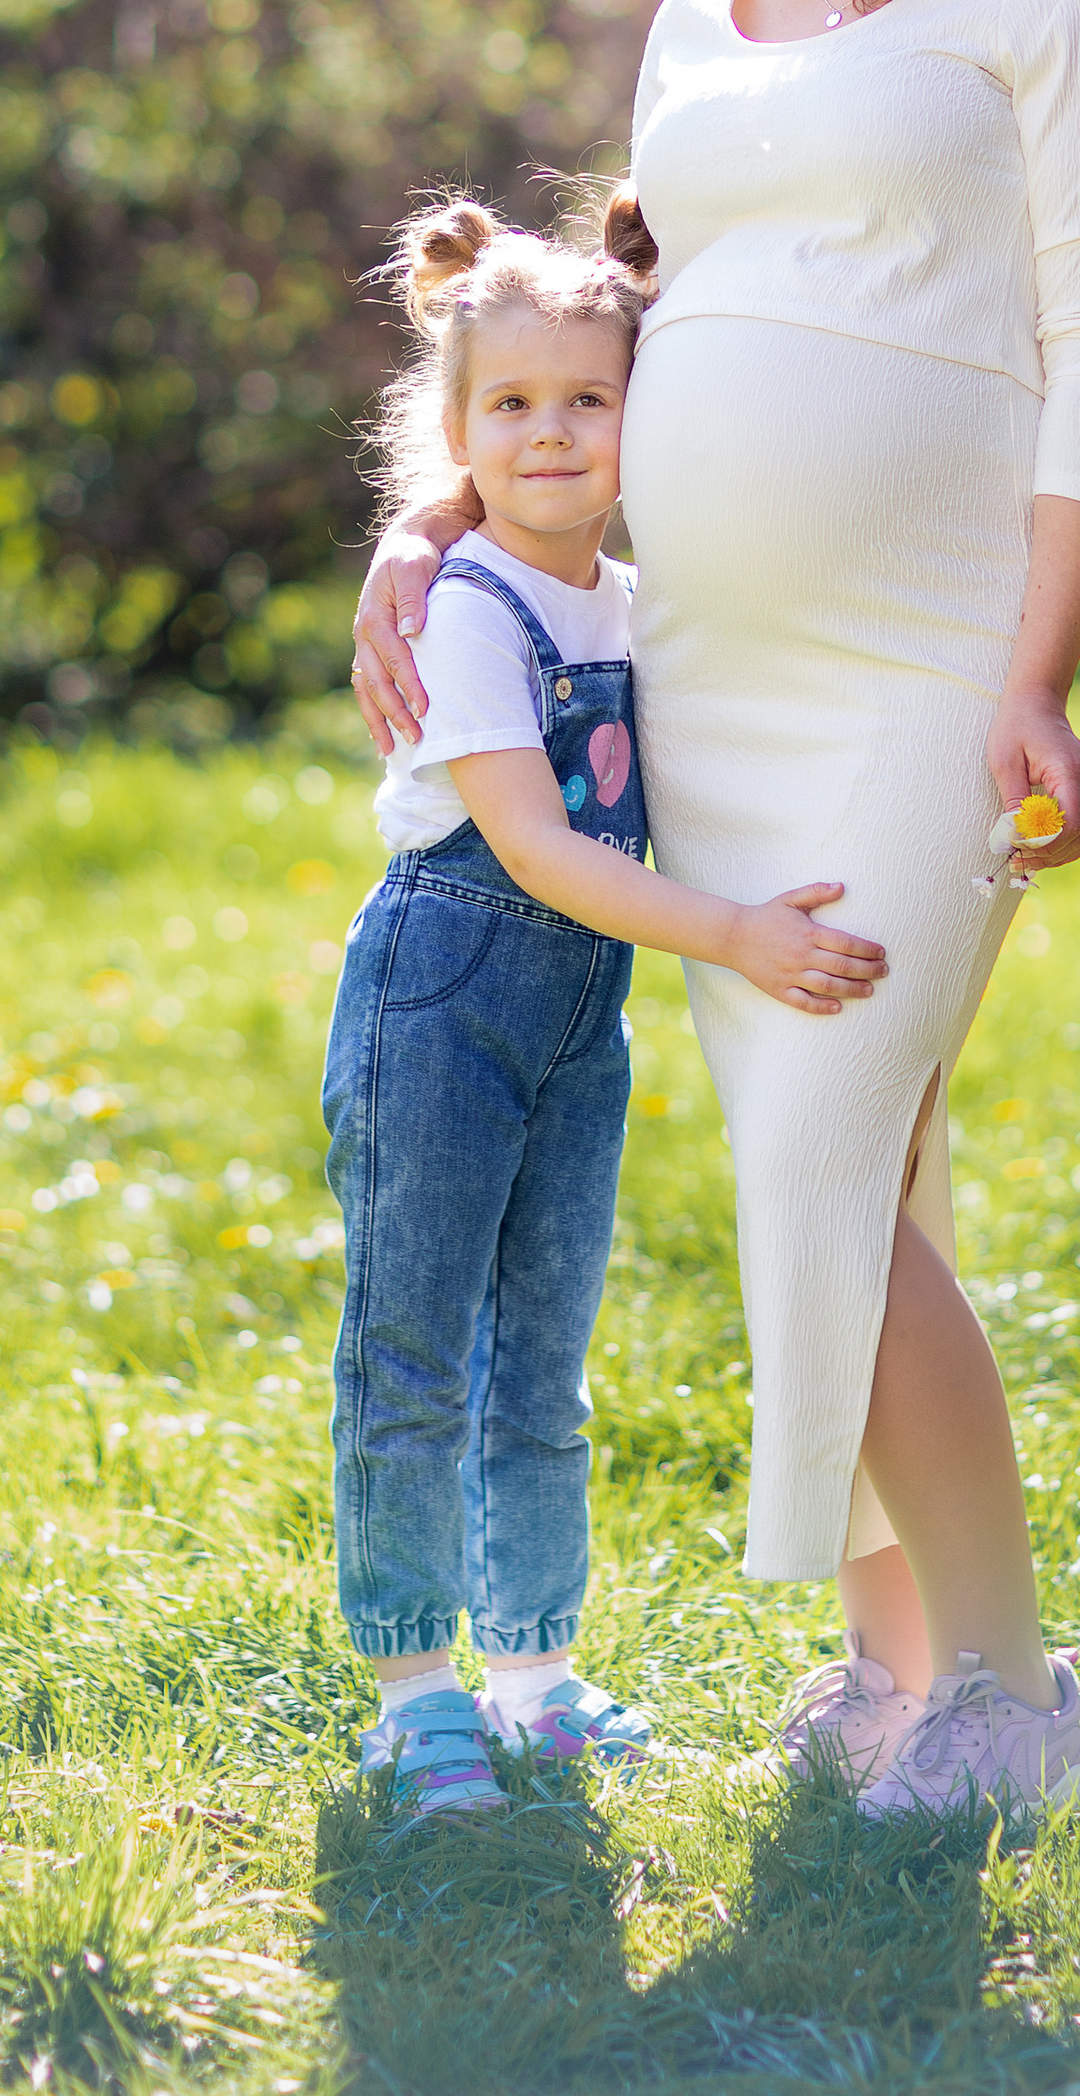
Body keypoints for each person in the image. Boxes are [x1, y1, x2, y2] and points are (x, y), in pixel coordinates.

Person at [355, 0, 1080, 1824]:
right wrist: (442, 517)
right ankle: (891, 1674)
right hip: (702, 667)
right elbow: (616, 337)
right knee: (856, 1162)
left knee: (822, 1145)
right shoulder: (700, 9)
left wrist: (1040, 674)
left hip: (928, 657)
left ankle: (1014, 1696)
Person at [331, 195, 891, 1829]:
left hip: (580, 1011)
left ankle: (529, 1677)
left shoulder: (636, 599)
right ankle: (411, 1696)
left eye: (589, 399)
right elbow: (534, 843)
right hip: (444, 986)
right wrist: (730, 935)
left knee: (545, 1368)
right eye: (510, 405)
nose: (554, 431)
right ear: (456, 435)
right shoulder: (468, 606)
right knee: (414, 1357)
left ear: (648, 420)